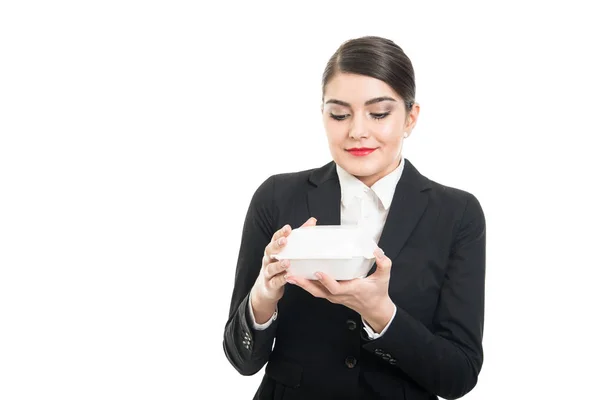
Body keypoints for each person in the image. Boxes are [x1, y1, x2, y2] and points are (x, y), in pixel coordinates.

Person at [222, 36, 486, 400]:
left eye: (378, 114)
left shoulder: (457, 214)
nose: (357, 131)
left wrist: (381, 312)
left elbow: (458, 375)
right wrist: (263, 295)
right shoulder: (277, 197)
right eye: (340, 114)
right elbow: (243, 360)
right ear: (323, 115)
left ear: (411, 117)